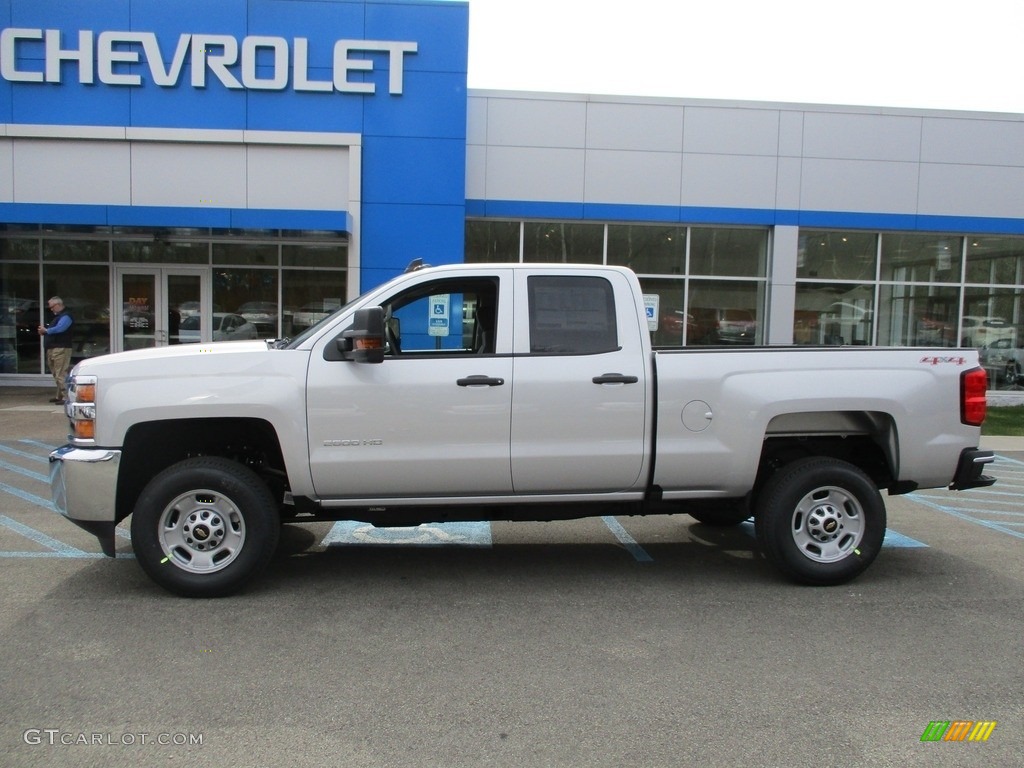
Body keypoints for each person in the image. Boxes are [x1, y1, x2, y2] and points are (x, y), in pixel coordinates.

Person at [37, 296, 73, 404]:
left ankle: (67, 397)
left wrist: (47, 330)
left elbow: (61, 328)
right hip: (53, 348)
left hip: (61, 348)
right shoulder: (59, 316)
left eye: (52, 307)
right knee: (56, 373)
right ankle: (60, 396)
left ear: (58, 305)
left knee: (61, 373)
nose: (51, 309)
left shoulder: (66, 316)